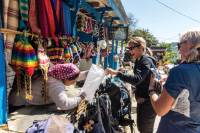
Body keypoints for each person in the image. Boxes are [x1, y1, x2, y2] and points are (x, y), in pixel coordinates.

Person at [149, 31, 200, 133]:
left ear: (189, 45)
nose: (179, 50)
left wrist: (152, 90)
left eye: (179, 45)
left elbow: (160, 110)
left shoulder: (179, 71)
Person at [106, 37, 157, 133]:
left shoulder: (145, 60)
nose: (129, 51)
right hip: (143, 101)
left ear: (141, 47)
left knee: (145, 129)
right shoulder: (139, 60)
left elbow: (137, 79)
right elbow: (141, 80)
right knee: (141, 127)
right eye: (128, 48)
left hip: (148, 103)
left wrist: (117, 73)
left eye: (131, 48)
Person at [9, 63, 86, 111]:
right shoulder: (55, 84)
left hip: (18, 97)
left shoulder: (56, 72)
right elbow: (64, 104)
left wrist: (89, 73)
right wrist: (81, 98)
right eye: (74, 81)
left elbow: (75, 76)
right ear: (66, 78)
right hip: (19, 104)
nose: (74, 83)